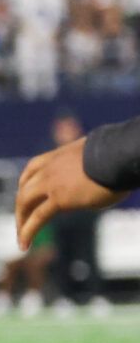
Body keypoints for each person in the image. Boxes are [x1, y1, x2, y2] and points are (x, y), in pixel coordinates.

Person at [16, 112, 139, 250]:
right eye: (62, 129)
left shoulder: (86, 155)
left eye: (69, 127)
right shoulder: (47, 157)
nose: (66, 133)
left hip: (85, 221)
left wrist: (106, 157)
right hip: (57, 226)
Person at [40, 114, 108, 315]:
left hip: (85, 212)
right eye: (62, 129)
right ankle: (64, 297)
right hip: (61, 214)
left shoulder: (87, 151)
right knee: (62, 258)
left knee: (90, 256)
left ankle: (95, 295)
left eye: (69, 129)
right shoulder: (49, 155)